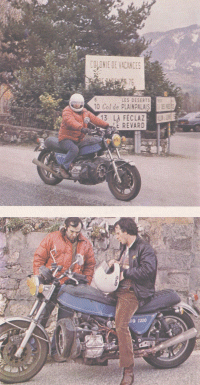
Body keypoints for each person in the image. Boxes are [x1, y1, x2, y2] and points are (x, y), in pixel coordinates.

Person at [33, 217, 96, 361]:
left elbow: (90, 265)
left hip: (71, 288)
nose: (74, 234)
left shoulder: (85, 243)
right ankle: (34, 350)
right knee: (41, 316)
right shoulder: (52, 238)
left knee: (64, 321)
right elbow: (38, 259)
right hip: (52, 284)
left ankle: (57, 352)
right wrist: (40, 276)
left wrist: (85, 283)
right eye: (72, 231)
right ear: (65, 227)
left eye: (77, 232)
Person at [108, 218, 157, 385]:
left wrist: (125, 272)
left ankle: (128, 370)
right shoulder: (125, 247)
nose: (116, 236)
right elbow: (125, 266)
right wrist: (116, 264)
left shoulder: (145, 248)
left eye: (118, 233)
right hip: (120, 290)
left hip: (133, 292)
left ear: (127, 232)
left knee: (121, 324)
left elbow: (148, 271)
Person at [58, 93, 109, 178]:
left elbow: (95, 119)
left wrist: (107, 126)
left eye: (79, 103)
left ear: (82, 104)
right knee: (74, 149)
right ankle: (63, 167)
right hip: (65, 139)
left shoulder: (85, 112)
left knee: (90, 146)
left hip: (78, 139)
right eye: (75, 103)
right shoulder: (67, 111)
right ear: (71, 103)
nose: (77, 105)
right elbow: (70, 122)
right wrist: (82, 128)